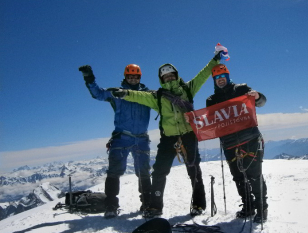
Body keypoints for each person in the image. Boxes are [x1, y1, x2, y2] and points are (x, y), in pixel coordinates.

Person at [110, 53, 221, 218]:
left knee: (194, 170)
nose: (168, 78)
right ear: (162, 79)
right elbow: (140, 96)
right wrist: (125, 93)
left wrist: (215, 60)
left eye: (171, 75)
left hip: (188, 135)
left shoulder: (187, 89)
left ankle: (198, 204)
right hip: (168, 138)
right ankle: (155, 207)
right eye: (165, 76)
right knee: (159, 171)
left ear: (176, 76)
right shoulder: (158, 96)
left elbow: (203, 75)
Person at [78, 64, 153, 218]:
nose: (132, 79)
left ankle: (147, 204)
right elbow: (98, 94)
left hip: (141, 138)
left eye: (135, 76)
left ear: (140, 77)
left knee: (144, 172)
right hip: (121, 138)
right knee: (114, 172)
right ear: (125, 77)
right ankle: (111, 206)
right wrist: (89, 78)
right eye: (130, 76)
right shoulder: (116, 93)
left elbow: (165, 101)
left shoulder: (148, 94)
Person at [206, 64, 268, 223]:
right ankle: (248, 206)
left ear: (227, 77)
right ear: (214, 81)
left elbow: (261, 102)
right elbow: (211, 120)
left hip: (250, 139)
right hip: (229, 143)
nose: (220, 80)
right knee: (238, 176)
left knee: (254, 175)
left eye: (222, 77)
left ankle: (262, 208)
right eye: (217, 78)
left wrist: (257, 96)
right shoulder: (212, 100)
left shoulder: (242, 90)